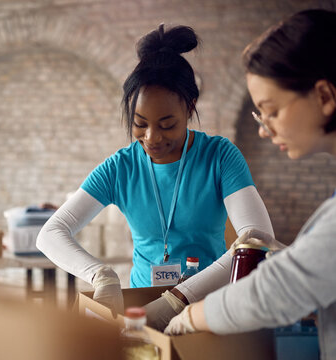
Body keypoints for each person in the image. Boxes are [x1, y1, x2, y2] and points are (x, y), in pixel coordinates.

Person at [36, 24, 274, 318]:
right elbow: (50, 233)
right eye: (139, 123)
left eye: (166, 125)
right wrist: (100, 275)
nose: (152, 138)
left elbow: (257, 239)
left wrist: (177, 299)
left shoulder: (220, 156)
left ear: (190, 107)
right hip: (142, 305)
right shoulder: (120, 167)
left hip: (208, 307)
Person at [163, 9, 336, 359]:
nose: (263, 128)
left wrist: (190, 312)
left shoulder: (221, 154)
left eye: (271, 111)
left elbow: (280, 290)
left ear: (324, 97)